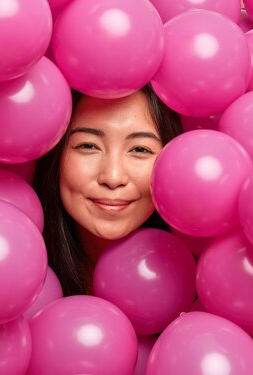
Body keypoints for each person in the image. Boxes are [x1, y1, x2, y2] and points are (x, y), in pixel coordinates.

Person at [33, 84, 182, 296]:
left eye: (140, 149)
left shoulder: (196, 288)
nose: (112, 177)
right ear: (56, 155)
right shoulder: (18, 280)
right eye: (88, 146)